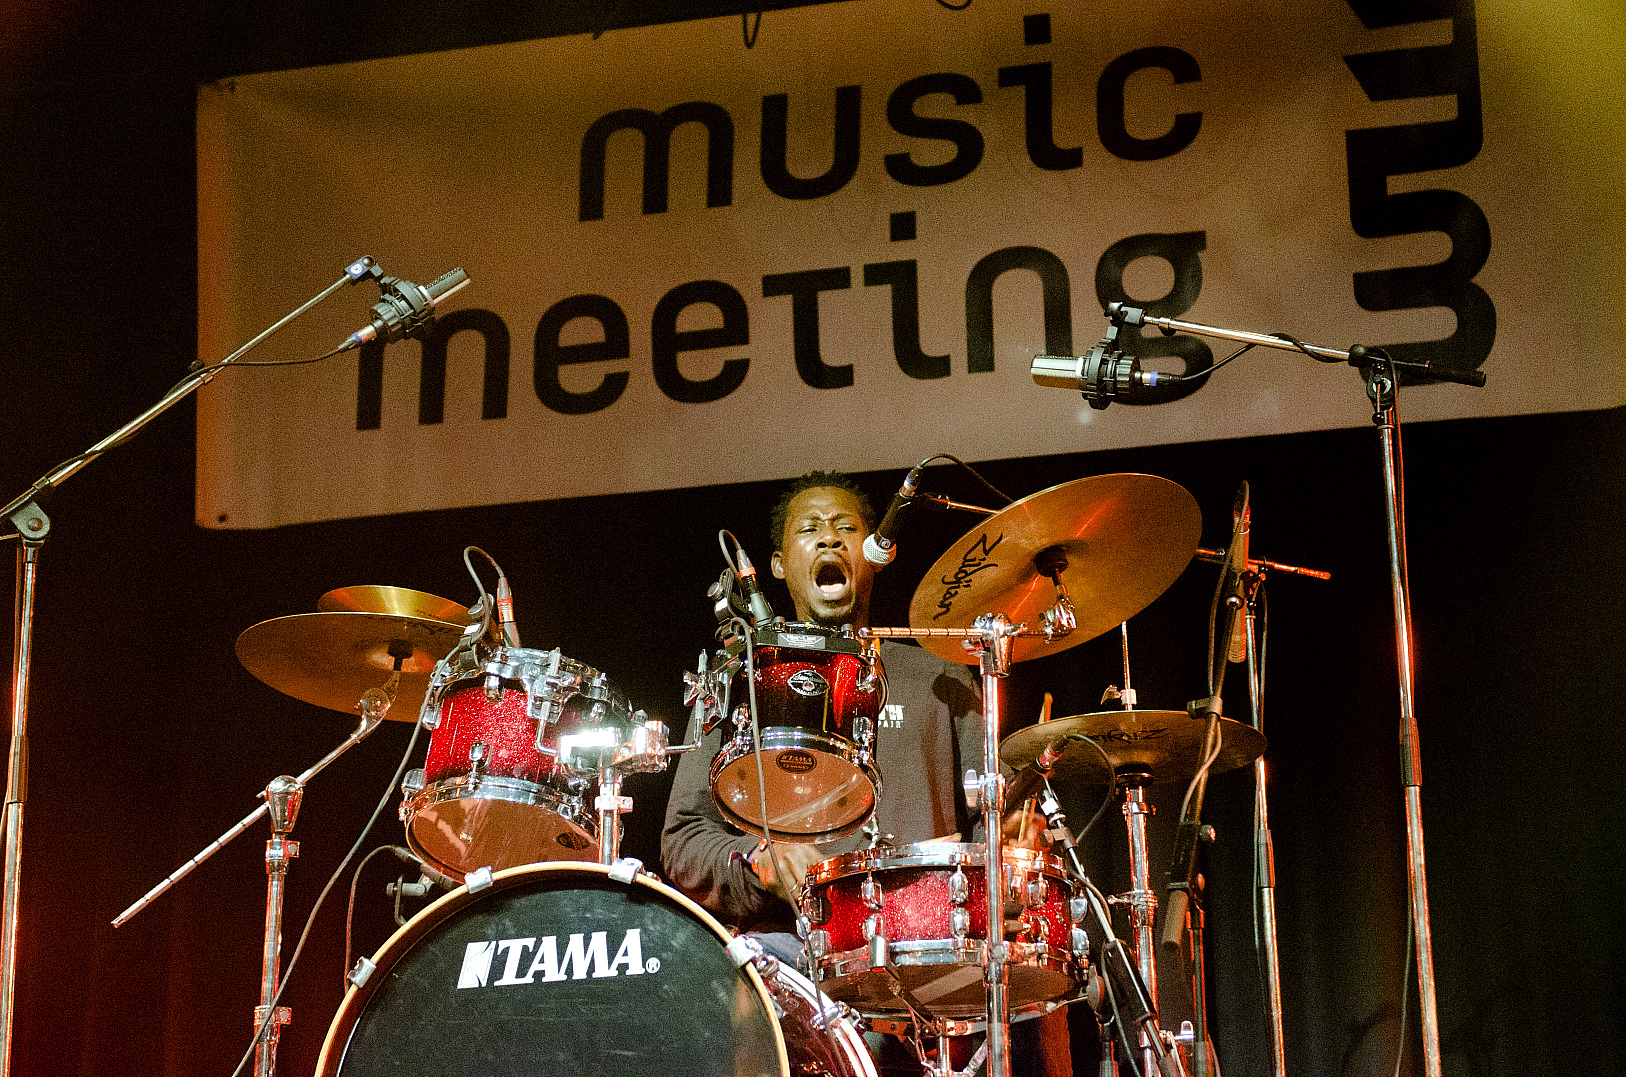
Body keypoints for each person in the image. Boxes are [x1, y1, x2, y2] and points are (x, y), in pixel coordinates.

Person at [661, 471, 1077, 1075]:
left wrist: (1013, 833)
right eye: (810, 530)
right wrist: (756, 864)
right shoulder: (736, 678)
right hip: (794, 946)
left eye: (847, 529)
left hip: (931, 937)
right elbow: (683, 839)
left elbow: (996, 815)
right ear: (778, 564)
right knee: (753, 992)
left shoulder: (940, 674)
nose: (830, 541)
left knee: (1034, 988)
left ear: (875, 553)